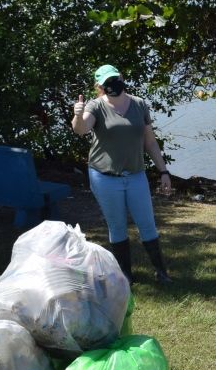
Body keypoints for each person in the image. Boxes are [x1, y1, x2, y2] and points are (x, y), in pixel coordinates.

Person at [72, 64, 173, 283]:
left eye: (114, 79)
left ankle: (162, 273)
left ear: (121, 77)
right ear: (99, 85)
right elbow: (81, 129)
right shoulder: (95, 106)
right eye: (106, 82)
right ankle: (126, 277)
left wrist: (163, 171)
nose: (112, 84)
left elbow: (151, 142)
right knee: (117, 226)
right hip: (105, 177)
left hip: (135, 175)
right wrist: (78, 116)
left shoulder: (139, 105)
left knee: (147, 223)